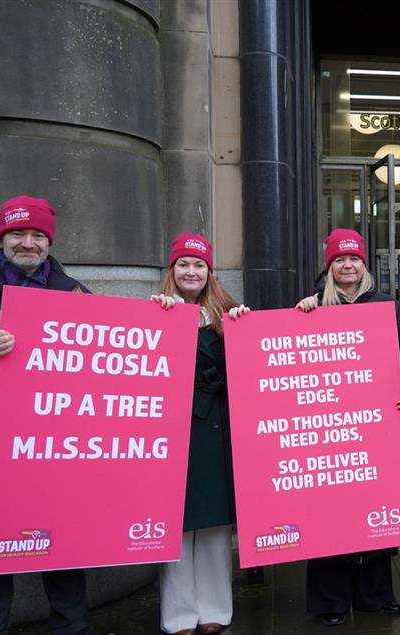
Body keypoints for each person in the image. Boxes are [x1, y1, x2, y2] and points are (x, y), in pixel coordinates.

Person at [0, 195, 93, 635]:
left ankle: (72, 628)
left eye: (37, 235)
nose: (28, 243)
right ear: (2, 236)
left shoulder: (72, 292)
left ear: (49, 241)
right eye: (18, 233)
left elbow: (108, 356)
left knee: (65, 550)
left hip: (58, 448)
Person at [295, 228, 400, 626]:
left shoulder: (388, 307)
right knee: (330, 514)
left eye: (353, 259)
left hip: (377, 425)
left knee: (378, 508)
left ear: (364, 265)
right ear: (329, 267)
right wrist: (298, 315)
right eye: (340, 260)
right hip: (329, 427)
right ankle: (331, 601)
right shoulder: (314, 307)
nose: (347, 265)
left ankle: (375, 596)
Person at [151, 233, 249, 635]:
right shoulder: (154, 311)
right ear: (172, 270)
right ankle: (178, 614)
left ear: (210, 272)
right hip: (172, 428)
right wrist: (157, 320)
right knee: (175, 522)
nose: (191, 272)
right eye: (183, 264)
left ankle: (215, 609)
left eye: (199, 265)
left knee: (213, 524)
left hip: (216, 427)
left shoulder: (229, 313)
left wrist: (245, 326)